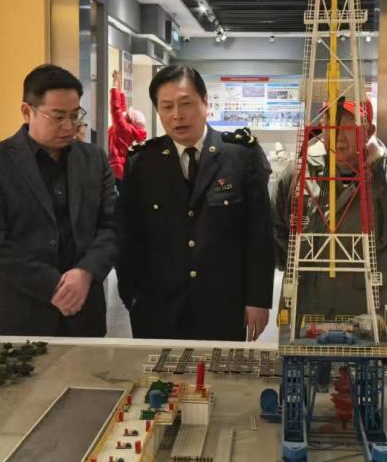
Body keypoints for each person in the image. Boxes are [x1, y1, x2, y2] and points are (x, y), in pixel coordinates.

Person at [117, 64, 273, 341]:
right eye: (166, 107)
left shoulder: (241, 156)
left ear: (205, 102)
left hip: (223, 304)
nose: (177, 115)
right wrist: (132, 297)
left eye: (186, 103)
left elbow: (259, 233)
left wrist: (258, 299)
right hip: (158, 307)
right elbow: (128, 237)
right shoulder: (142, 162)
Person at [0, 64, 117, 337]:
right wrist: (52, 285)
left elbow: (111, 226)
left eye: (75, 115)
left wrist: (86, 272)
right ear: (27, 112)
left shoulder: (94, 159)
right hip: (20, 314)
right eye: (58, 116)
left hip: (84, 312)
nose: (69, 126)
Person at [274, 97, 387, 321]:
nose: (338, 135)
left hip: (369, 308)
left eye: (348, 126)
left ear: (368, 131)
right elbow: (277, 229)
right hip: (305, 304)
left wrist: (376, 268)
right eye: (330, 125)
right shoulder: (297, 174)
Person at [107, 69, 147, 182]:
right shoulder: (129, 130)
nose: (125, 114)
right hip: (120, 167)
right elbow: (122, 108)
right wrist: (120, 87)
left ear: (129, 119)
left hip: (115, 168)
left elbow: (116, 109)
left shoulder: (123, 128)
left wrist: (115, 85)